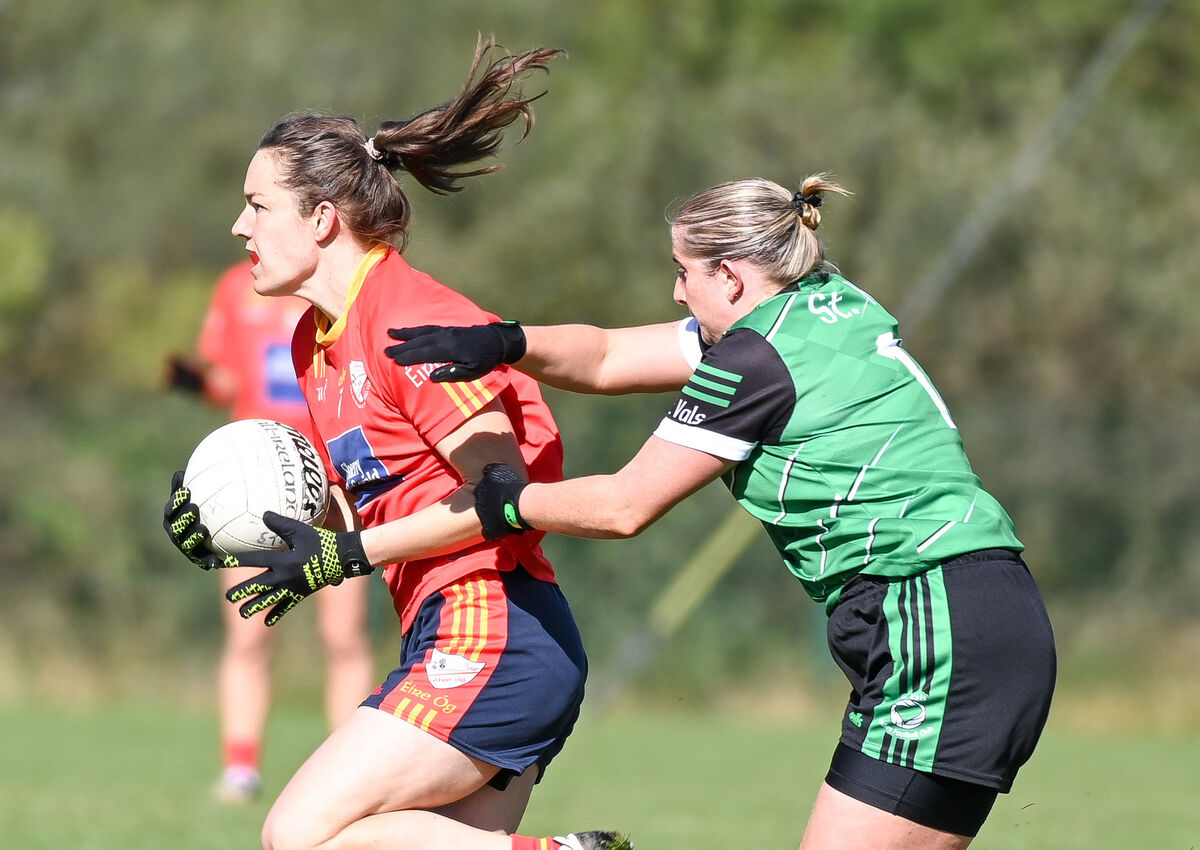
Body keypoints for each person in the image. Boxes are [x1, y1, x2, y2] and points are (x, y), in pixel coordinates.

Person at [384, 174, 1058, 849]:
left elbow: (626, 505)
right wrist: (508, 341)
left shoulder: (754, 357)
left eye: (684, 273)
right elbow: (610, 357)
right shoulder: (830, 302)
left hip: (930, 620)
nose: (677, 291)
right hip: (973, 613)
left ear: (731, 277)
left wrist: (506, 501)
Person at [162, 38, 629, 850]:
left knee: (297, 833)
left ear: (320, 219)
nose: (239, 225)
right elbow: (363, 492)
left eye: (257, 204)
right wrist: (237, 519)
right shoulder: (316, 341)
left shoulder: (408, 319)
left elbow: (498, 496)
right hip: (448, 625)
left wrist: (348, 556)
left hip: (493, 629)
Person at [166, 260, 375, 803]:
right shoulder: (236, 286)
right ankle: (241, 770)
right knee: (248, 635)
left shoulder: (339, 286)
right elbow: (228, 383)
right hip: (249, 496)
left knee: (343, 638)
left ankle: (349, 770)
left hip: (332, 487)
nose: (249, 227)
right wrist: (192, 381)